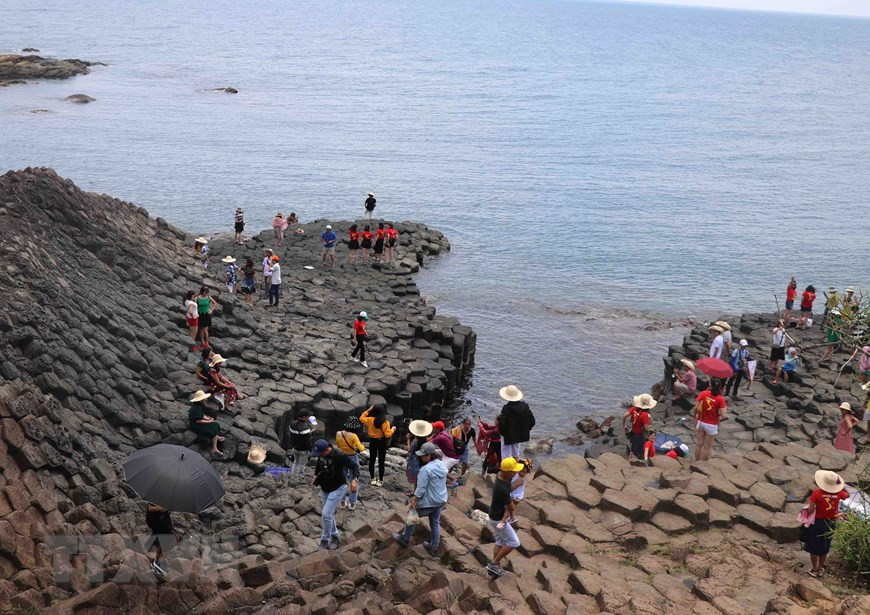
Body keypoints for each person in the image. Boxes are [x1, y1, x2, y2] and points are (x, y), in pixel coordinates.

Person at [393, 442, 448, 556]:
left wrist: (414, 500)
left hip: (430, 501)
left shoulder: (426, 470)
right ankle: (434, 547)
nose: (421, 457)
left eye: (423, 455)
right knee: (435, 523)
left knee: (412, 514)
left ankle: (405, 539)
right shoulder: (442, 465)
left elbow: (421, 489)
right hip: (441, 499)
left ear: (429, 455)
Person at [311, 439, 359, 551]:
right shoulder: (321, 455)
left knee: (326, 514)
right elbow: (319, 464)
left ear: (328, 450)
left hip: (338, 487)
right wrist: (315, 475)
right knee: (329, 514)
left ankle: (324, 540)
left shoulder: (339, 455)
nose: (320, 455)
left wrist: (354, 480)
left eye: (321, 453)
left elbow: (355, 467)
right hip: (325, 487)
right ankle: (335, 536)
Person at [803, 470, 848, 577]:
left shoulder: (816, 493)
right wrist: (841, 485)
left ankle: (814, 569)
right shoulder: (839, 493)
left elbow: (810, 510)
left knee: (814, 545)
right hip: (831, 523)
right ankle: (820, 568)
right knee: (825, 545)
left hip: (817, 522)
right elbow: (848, 495)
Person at [485, 457, 524, 577]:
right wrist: (516, 502)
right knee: (514, 542)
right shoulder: (501, 487)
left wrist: (516, 485)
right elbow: (510, 506)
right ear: (506, 471)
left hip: (494, 515)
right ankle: (494, 563)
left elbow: (508, 490)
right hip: (498, 518)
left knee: (500, 540)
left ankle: (494, 566)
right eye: (513, 471)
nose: (516, 473)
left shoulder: (501, 475)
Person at [359, 403, 395, 486]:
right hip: (381, 442)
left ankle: (372, 479)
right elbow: (387, 435)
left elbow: (361, 418)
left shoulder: (370, 420)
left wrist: (369, 410)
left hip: (373, 441)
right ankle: (380, 480)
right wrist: (392, 430)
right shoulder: (385, 423)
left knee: (372, 460)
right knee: (381, 461)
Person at [496, 385, 535, 460]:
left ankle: (508, 471)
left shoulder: (506, 408)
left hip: (508, 437)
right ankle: (516, 471)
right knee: (516, 454)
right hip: (519, 436)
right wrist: (525, 430)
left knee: (506, 456)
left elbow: (502, 425)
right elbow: (532, 421)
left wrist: (502, 433)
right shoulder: (525, 406)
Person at [335, 418, 365, 510]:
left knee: (342, 480)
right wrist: (358, 447)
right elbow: (362, 448)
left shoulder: (338, 433)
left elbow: (338, 445)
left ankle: (342, 502)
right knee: (354, 480)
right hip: (352, 457)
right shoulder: (354, 436)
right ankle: (352, 503)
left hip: (342, 457)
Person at [694, 380, 727, 461]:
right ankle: (702, 464)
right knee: (707, 446)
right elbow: (723, 415)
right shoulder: (720, 399)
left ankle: (697, 461)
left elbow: (696, 407)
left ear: (710, 385)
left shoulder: (704, 393)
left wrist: (694, 416)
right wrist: (724, 408)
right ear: (720, 387)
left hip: (701, 421)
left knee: (699, 444)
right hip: (712, 425)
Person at [146, 503, 180, 577]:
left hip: (164, 518)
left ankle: (159, 560)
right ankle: (155, 561)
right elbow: (150, 508)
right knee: (167, 536)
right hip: (154, 518)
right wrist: (161, 507)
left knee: (176, 537)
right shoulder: (157, 495)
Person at [188, 390, 223, 455]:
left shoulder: (198, 405)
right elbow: (198, 420)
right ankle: (214, 448)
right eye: (203, 399)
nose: (205, 399)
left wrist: (208, 418)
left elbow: (201, 415)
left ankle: (216, 437)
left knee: (215, 424)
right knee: (214, 426)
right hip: (195, 425)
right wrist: (209, 421)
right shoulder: (196, 408)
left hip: (197, 422)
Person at [622, 394, 655, 460]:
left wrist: (624, 425)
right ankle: (634, 464)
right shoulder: (645, 415)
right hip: (640, 436)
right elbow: (646, 428)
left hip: (633, 433)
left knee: (633, 449)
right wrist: (650, 428)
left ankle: (629, 460)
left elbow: (624, 416)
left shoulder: (634, 408)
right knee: (638, 452)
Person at [288, 409, 316, 476]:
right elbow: (307, 442)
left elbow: (292, 436)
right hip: (303, 450)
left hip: (295, 448)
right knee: (301, 465)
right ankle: (299, 478)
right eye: (307, 416)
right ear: (304, 417)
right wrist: (311, 450)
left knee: (295, 463)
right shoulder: (305, 428)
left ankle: (292, 475)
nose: (308, 417)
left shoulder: (292, 424)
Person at [406, 420, 433, 487]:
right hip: (423, 460)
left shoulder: (415, 442)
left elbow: (410, 450)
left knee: (416, 477)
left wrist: (408, 440)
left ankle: (415, 491)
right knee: (421, 477)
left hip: (416, 460)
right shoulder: (425, 439)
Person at [507, 458, 533, 524]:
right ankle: (511, 517)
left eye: (524, 472)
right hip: (513, 494)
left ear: (527, 473)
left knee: (511, 507)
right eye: (520, 470)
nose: (521, 473)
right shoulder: (517, 474)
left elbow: (514, 487)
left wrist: (507, 490)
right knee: (510, 507)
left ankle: (512, 518)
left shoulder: (521, 479)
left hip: (517, 495)